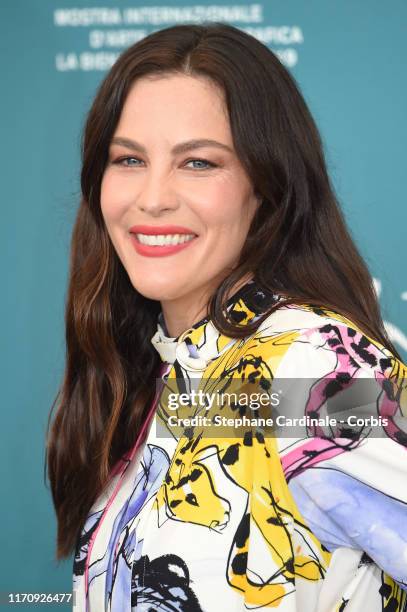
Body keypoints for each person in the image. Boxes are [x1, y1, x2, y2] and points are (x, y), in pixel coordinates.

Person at [46, 22, 407, 612]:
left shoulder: (311, 370)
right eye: (129, 158)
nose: (153, 196)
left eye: (198, 163)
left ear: (266, 185)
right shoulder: (174, 376)